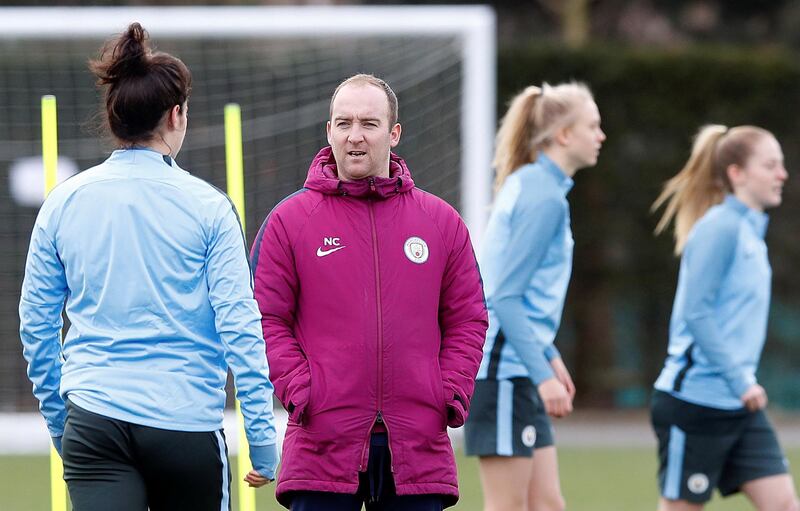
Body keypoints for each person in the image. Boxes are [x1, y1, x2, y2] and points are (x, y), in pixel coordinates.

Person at [18, 23, 278, 511]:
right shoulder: (210, 207)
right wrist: (262, 437)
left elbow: (36, 328)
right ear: (176, 116)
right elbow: (241, 329)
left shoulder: (62, 202)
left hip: (94, 421)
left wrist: (63, 422)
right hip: (185, 425)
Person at [251, 73, 488, 510]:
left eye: (369, 124)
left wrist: (447, 391)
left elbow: (468, 318)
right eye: (343, 123)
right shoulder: (290, 220)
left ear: (394, 133)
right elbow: (265, 319)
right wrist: (303, 392)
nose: (354, 136)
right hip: (322, 442)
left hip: (417, 445)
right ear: (329, 131)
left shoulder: (441, 222)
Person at [463, 82, 606, 511]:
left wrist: (550, 358)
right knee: (507, 506)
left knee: (547, 505)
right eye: (593, 126)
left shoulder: (536, 186)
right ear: (564, 135)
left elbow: (517, 297)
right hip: (503, 373)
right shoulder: (543, 197)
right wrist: (543, 375)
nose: (601, 136)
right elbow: (504, 298)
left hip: (519, 366)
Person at [650, 124, 797, 511]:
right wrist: (740, 379)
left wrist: (741, 385)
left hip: (740, 404)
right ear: (737, 174)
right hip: (694, 402)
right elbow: (695, 313)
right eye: (770, 165)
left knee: (783, 504)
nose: (782, 174)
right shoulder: (719, 228)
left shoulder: (751, 230)